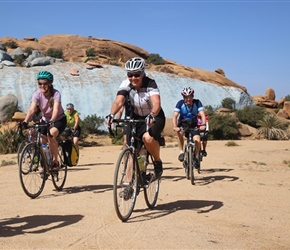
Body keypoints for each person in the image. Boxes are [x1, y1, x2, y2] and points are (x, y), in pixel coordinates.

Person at [106, 57, 166, 180]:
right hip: (136, 117)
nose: (133, 78)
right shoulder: (125, 84)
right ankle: (129, 183)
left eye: (136, 75)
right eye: (130, 75)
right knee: (131, 149)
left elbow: (156, 103)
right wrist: (111, 114)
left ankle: (157, 161)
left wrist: (152, 114)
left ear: (143, 73)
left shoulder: (150, 83)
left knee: (147, 138)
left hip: (154, 116)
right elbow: (119, 101)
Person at [22, 70, 67, 170]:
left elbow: (55, 109)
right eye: (40, 83)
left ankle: (55, 162)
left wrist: (52, 121)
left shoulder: (56, 94)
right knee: (41, 140)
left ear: (50, 84)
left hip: (59, 119)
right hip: (45, 120)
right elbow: (32, 109)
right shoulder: (37, 94)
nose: (42, 86)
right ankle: (46, 163)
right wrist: (25, 121)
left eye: (45, 83)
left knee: (51, 134)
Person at [172, 87, 206, 169]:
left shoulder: (197, 103)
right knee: (179, 133)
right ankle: (181, 152)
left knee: (197, 140)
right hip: (183, 123)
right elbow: (175, 115)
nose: (188, 99)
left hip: (193, 124)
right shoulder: (180, 103)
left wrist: (203, 124)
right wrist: (175, 126)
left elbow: (202, 114)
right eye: (186, 97)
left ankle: (197, 156)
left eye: (190, 97)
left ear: (193, 96)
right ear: (183, 98)